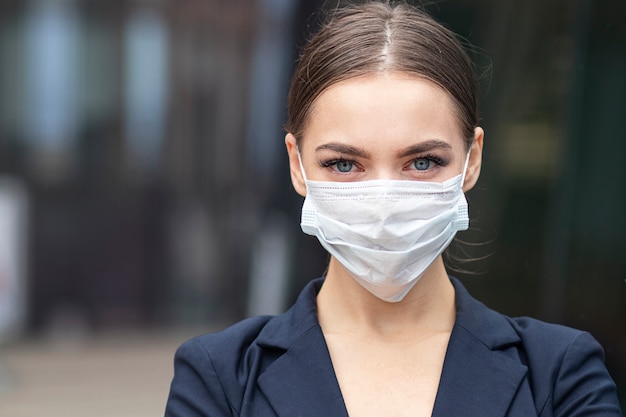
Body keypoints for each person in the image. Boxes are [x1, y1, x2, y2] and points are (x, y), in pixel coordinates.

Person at [164, 2, 622, 416]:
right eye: (344, 164)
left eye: (422, 162)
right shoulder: (220, 379)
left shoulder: (561, 375)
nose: (383, 202)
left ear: (472, 160)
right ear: (297, 166)